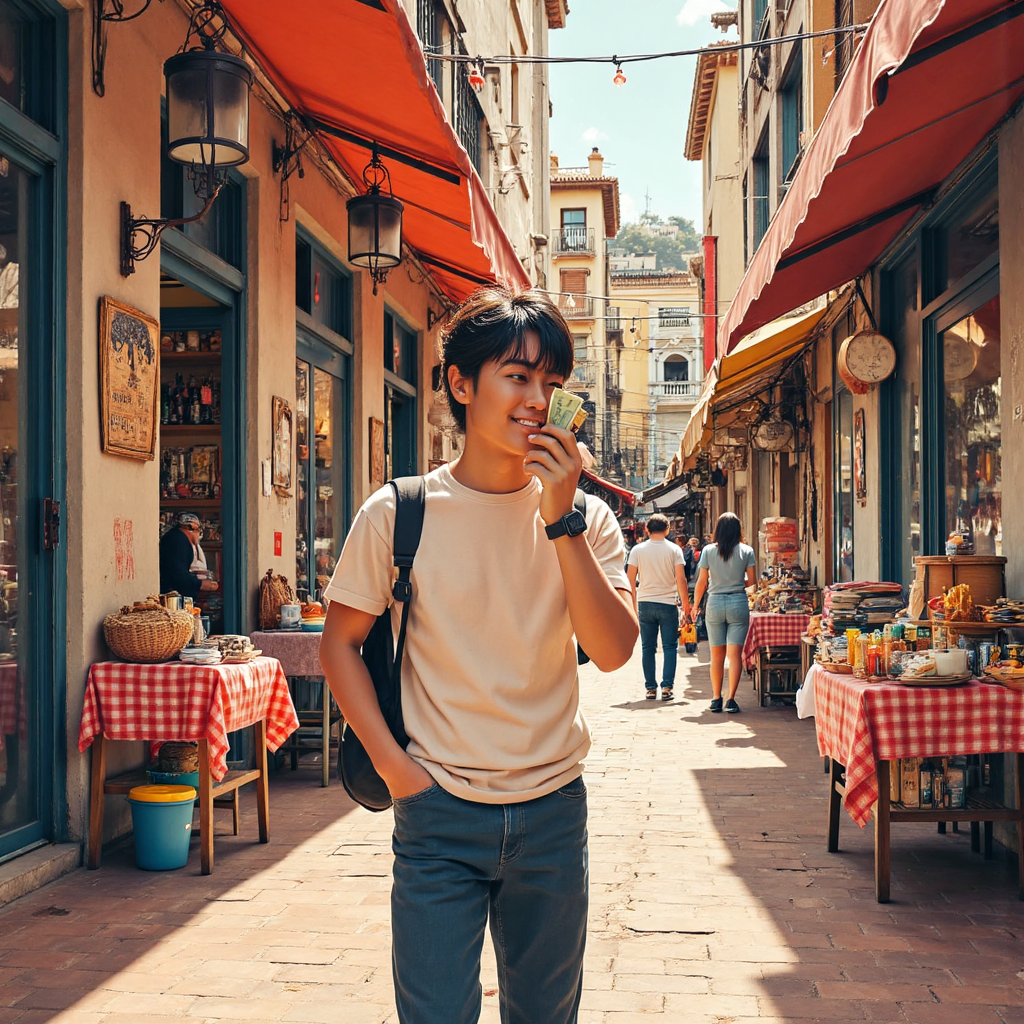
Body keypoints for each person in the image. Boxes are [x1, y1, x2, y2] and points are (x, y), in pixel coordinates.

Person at [319, 288, 638, 1024]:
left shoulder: (586, 518)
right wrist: (400, 773)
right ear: (462, 386)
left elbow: (613, 651)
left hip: (552, 810)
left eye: (551, 385)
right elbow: (338, 642)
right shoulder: (399, 511)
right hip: (437, 814)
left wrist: (559, 517)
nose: (538, 401)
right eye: (517, 377)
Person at [691, 512, 756, 714]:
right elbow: (752, 582)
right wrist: (736, 581)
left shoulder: (708, 551)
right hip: (738, 601)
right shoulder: (747, 551)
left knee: (716, 655)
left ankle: (716, 698)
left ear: (718, 530)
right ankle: (731, 700)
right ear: (738, 530)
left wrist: (695, 606)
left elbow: (702, 582)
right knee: (735, 655)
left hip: (715, 603)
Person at [626, 513, 691, 701]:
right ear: (668, 529)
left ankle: (650, 689)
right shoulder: (674, 550)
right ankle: (667, 688)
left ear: (647, 530)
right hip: (668, 603)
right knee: (670, 647)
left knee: (648, 648)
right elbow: (681, 579)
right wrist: (686, 605)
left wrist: (632, 604)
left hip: (645, 603)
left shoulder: (637, 550)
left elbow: (630, 580)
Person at [158, 512, 217, 601]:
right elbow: (177, 573)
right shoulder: (179, 540)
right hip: (173, 596)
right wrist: (200, 584)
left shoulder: (176, 538)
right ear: (192, 527)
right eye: (198, 530)